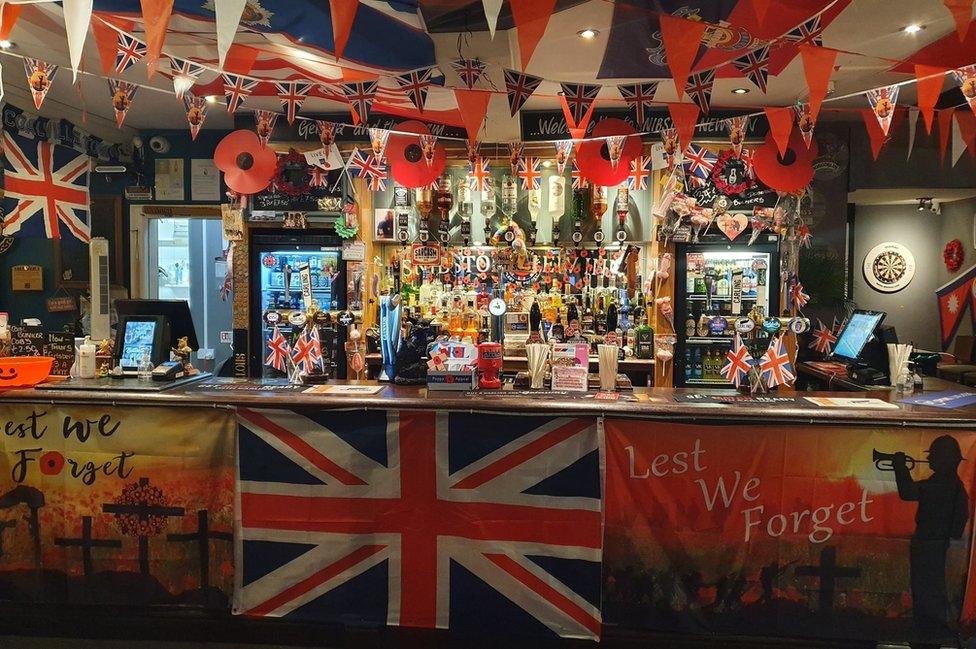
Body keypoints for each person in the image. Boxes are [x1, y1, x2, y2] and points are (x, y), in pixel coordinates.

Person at [892, 435, 969, 635]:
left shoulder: (941, 483)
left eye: (934, 456)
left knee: (926, 584)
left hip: (929, 541)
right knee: (929, 584)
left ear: (944, 459)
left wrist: (899, 467)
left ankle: (928, 626)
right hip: (934, 541)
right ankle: (929, 624)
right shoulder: (951, 483)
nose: (929, 460)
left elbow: (907, 492)